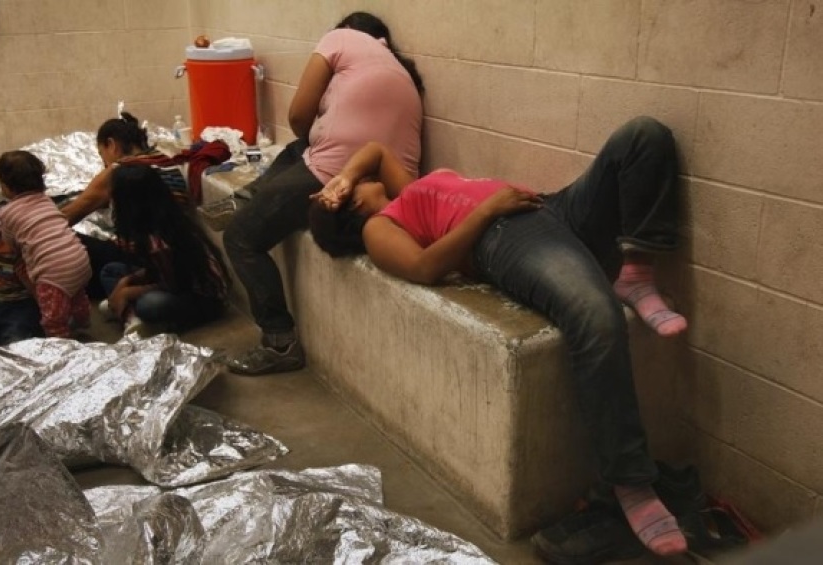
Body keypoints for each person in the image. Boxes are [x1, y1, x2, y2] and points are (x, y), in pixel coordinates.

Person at [309, 116, 689, 557]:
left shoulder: (403, 192)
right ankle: (630, 481)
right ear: (352, 207)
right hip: (504, 234)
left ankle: (637, 272)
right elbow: (425, 268)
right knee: (596, 316)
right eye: (356, 187)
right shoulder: (378, 227)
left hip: (546, 209)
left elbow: (375, 149)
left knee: (642, 138)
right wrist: (487, 211)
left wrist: (343, 177)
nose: (365, 180)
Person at [221, 11, 425, 375]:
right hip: (393, 185)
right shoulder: (399, 69)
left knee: (240, 237)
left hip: (337, 176)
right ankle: (251, 194)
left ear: (346, 30)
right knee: (297, 151)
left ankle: (280, 343)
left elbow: (298, 117)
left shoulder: (339, 40)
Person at [60, 111, 191, 299]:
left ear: (111, 144)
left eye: (102, 154)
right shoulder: (166, 161)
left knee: (59, 238)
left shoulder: (118, 172)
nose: (103, 163)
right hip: (177, 250)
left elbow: (67, 217)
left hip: (145, 256)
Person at [100, 163, 230, 335]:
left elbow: (174, 285)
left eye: (114, 193)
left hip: (203, 299)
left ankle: (132, 315)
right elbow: (155, 271)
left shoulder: (160, 242)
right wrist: (125, 283)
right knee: (111, 271)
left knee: (149, 304)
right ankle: (131, 315)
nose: (109, 196)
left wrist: (128, 293)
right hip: (170, 280)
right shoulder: (155, 223)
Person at [0, 151, 91, 339]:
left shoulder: (6, 213)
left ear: (5, 187)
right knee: (76, 294)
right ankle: (83, 321)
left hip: (53, 274)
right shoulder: (46, 200)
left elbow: (11, 243)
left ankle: (62, 343)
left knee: (52, 318)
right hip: (80, 259)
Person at [0, 183, 43, 344]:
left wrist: (46, 313)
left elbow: (32, 285)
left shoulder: (10, 246)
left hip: (22, 305)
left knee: (17, 338)